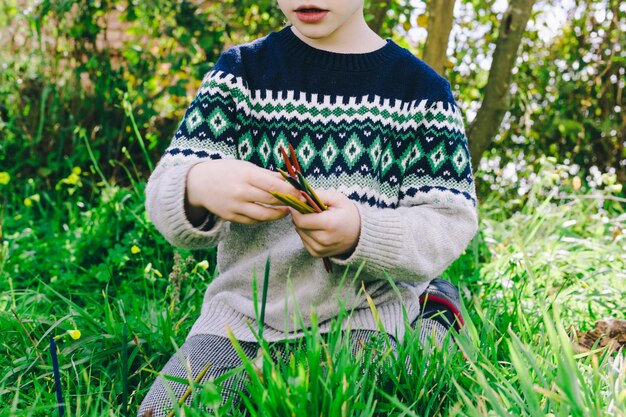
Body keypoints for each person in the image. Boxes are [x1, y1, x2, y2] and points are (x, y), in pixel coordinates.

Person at [138, 0, 478, 415]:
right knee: (163, 411)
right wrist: (197, 185)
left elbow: (447, 222)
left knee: (380, 398)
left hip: (362, 318)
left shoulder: (420, 92)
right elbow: (162, 192)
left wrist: (361, 231)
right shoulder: (240, 74)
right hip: (238, 321)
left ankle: (435, 315)